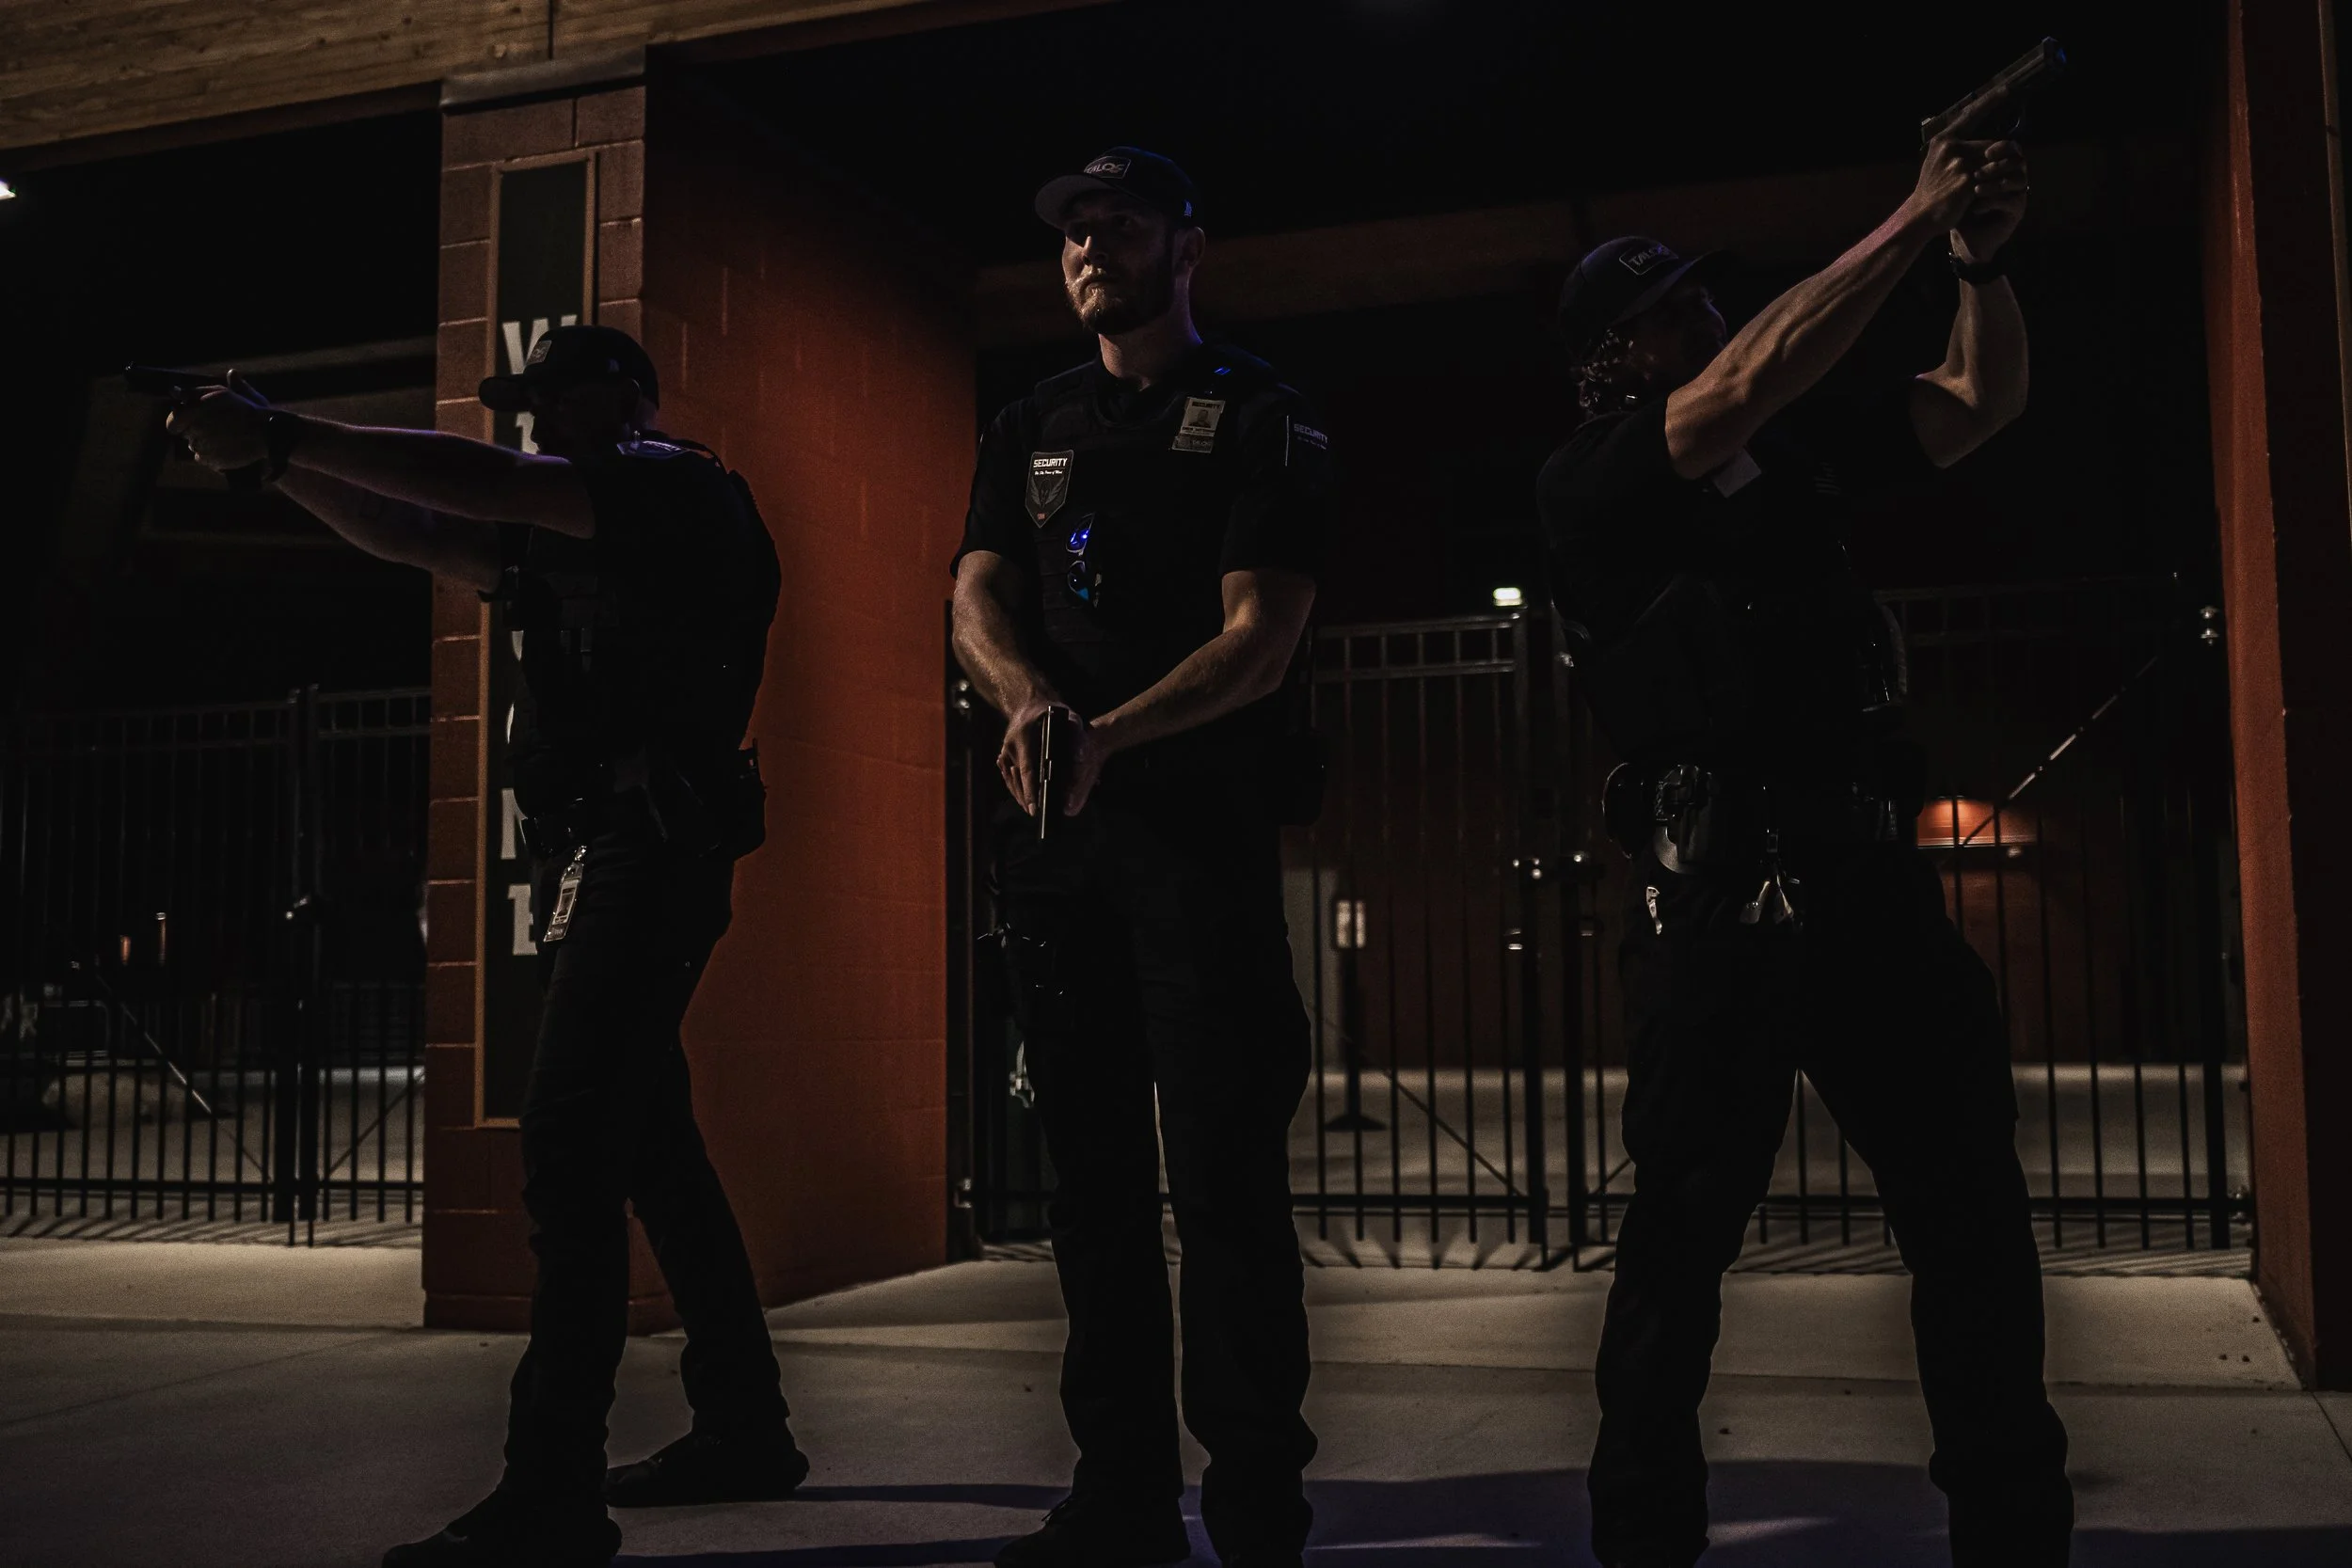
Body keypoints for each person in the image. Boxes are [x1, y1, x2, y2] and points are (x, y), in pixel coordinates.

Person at [169, 325, 801, 1568]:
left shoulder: (673, 486)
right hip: (616, 848)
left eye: (552, 403)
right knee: (651, 1144)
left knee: (569, 1137)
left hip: (654, 843)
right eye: (523, 407)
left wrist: (287, 431)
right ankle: (745, 1425)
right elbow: (426, 533)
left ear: (623, 399)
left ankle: (552, 1492)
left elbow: (488, 488)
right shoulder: (571, 532)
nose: (530, 426)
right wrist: (271, 471)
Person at [1537, 126, 2073, 1568]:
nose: (1704, 315)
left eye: (1709, 296)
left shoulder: (1792, 449)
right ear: (1610, 354)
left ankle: (2015, 1528)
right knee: (1682, 1237)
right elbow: (1731, 391)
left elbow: (1981, 398)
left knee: (1968, 1200)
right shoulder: (1597, 477)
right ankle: (1643, 1533)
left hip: (1862, 876)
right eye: (1670, 307)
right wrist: (1913, 212)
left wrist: (1979, 253)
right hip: (1714, 893)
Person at [950, 148, 1330, 1568]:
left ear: (1189, 247)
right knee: (1093, 1198)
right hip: (1060, 859)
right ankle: (1119, 1496)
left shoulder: (1257, 414)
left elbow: (1261, 638)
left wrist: (1109, 727)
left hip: (1197, 854)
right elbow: (975, 590)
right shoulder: (1029, 423)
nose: (1087, 246)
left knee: (1226, 1189)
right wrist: (1030, 701)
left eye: (1119, 225)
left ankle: (1255, 1509)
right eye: (1070, 231)